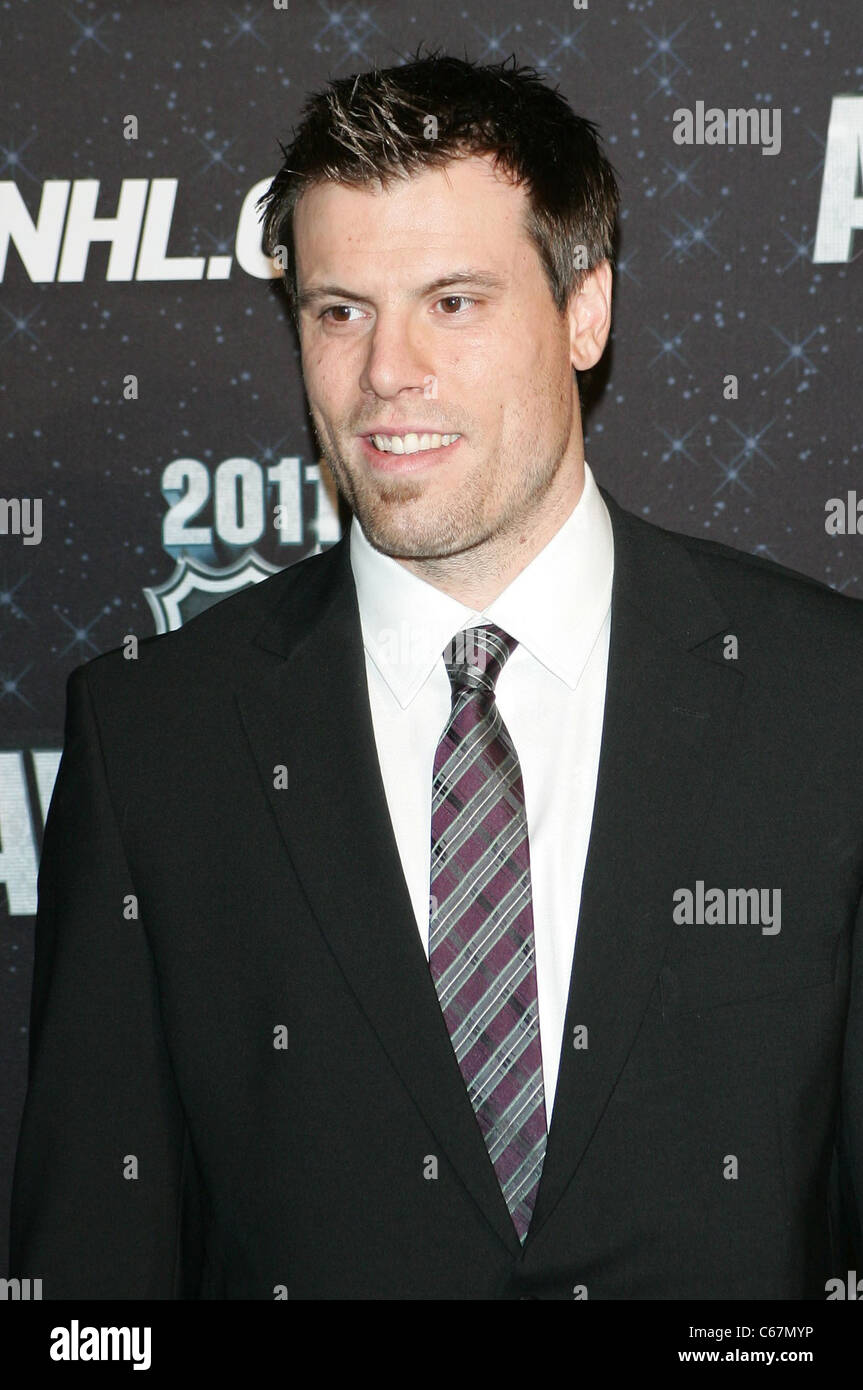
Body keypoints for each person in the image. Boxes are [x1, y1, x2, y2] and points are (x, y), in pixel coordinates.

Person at [9, 51, 863, 1300]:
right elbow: (94, 1292)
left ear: (586, 310)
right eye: (337, 309)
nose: (385, 373)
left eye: (452, 302)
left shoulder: (824, 702)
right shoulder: (156, 739)